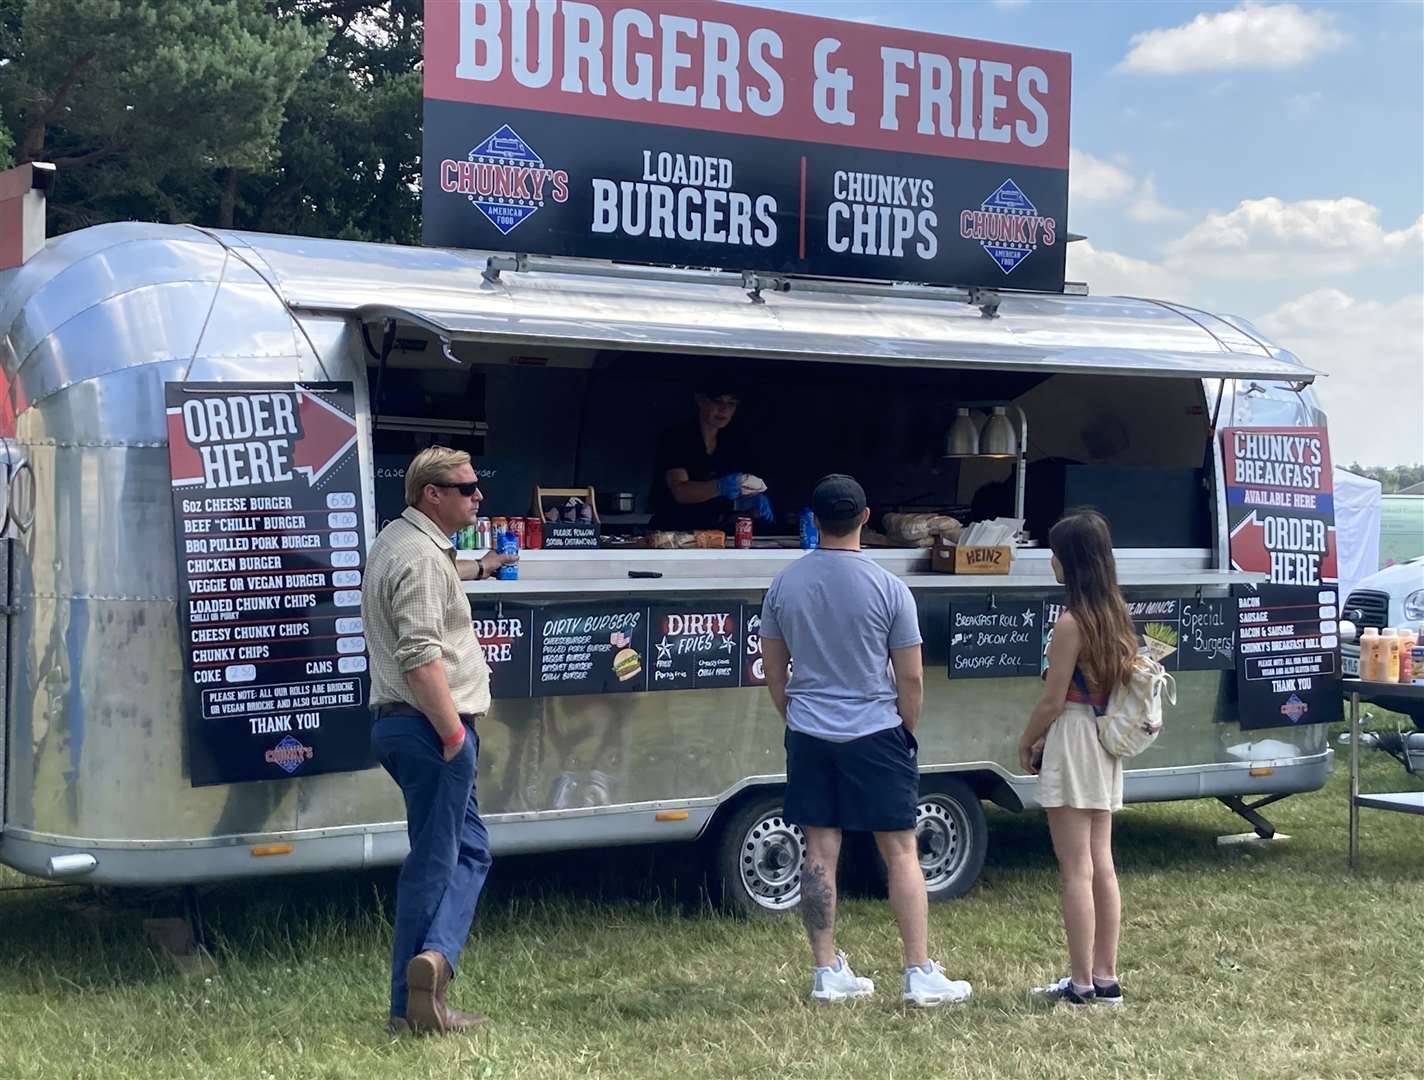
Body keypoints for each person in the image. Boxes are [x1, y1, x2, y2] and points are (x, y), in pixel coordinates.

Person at [759, 474, 972, 1008]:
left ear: (814, 518)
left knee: (819, 852)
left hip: (809, 731)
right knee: (900, 849)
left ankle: (826, 971)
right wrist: (906, 727)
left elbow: (773, 667)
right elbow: (912, 677)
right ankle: (918, 971)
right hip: (876, 730)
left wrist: (793, 712)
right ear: (865, 516)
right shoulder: (889, 587)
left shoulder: (784, 584)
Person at [363, 445, 517, 1036]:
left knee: (470, 850)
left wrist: (487, 567)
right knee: (434, 861)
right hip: (432, 728)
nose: (479, 496)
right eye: (467, 487)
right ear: (432, 494)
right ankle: (411, 1004)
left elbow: (441, 580)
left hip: (407, 725)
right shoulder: (423, 560)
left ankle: (434, 964)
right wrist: (454, 733)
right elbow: (420, 653)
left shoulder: (403, 543)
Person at [1017, 508, 1135, 1008]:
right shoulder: (1115, 613)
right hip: (1105, 741)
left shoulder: (1071, 622)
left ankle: (1081, 982)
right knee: (1101, 863)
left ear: (1071, 561)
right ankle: (1106, 977)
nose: (1051, 561)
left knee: (1075, 870)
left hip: (1073, 736)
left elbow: (1053, 698)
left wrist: (1027, 742)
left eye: (1056, 553)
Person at [648, 380, 773, 531]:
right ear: (700, 400)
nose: (724, 409)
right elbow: (680, 492)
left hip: (714, 534)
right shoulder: (677, 438)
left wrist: (751, 504)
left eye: (731, 403)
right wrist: (720, 486)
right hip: (672, 532)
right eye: (717, 401)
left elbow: (726, 507)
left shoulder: (732, 443)